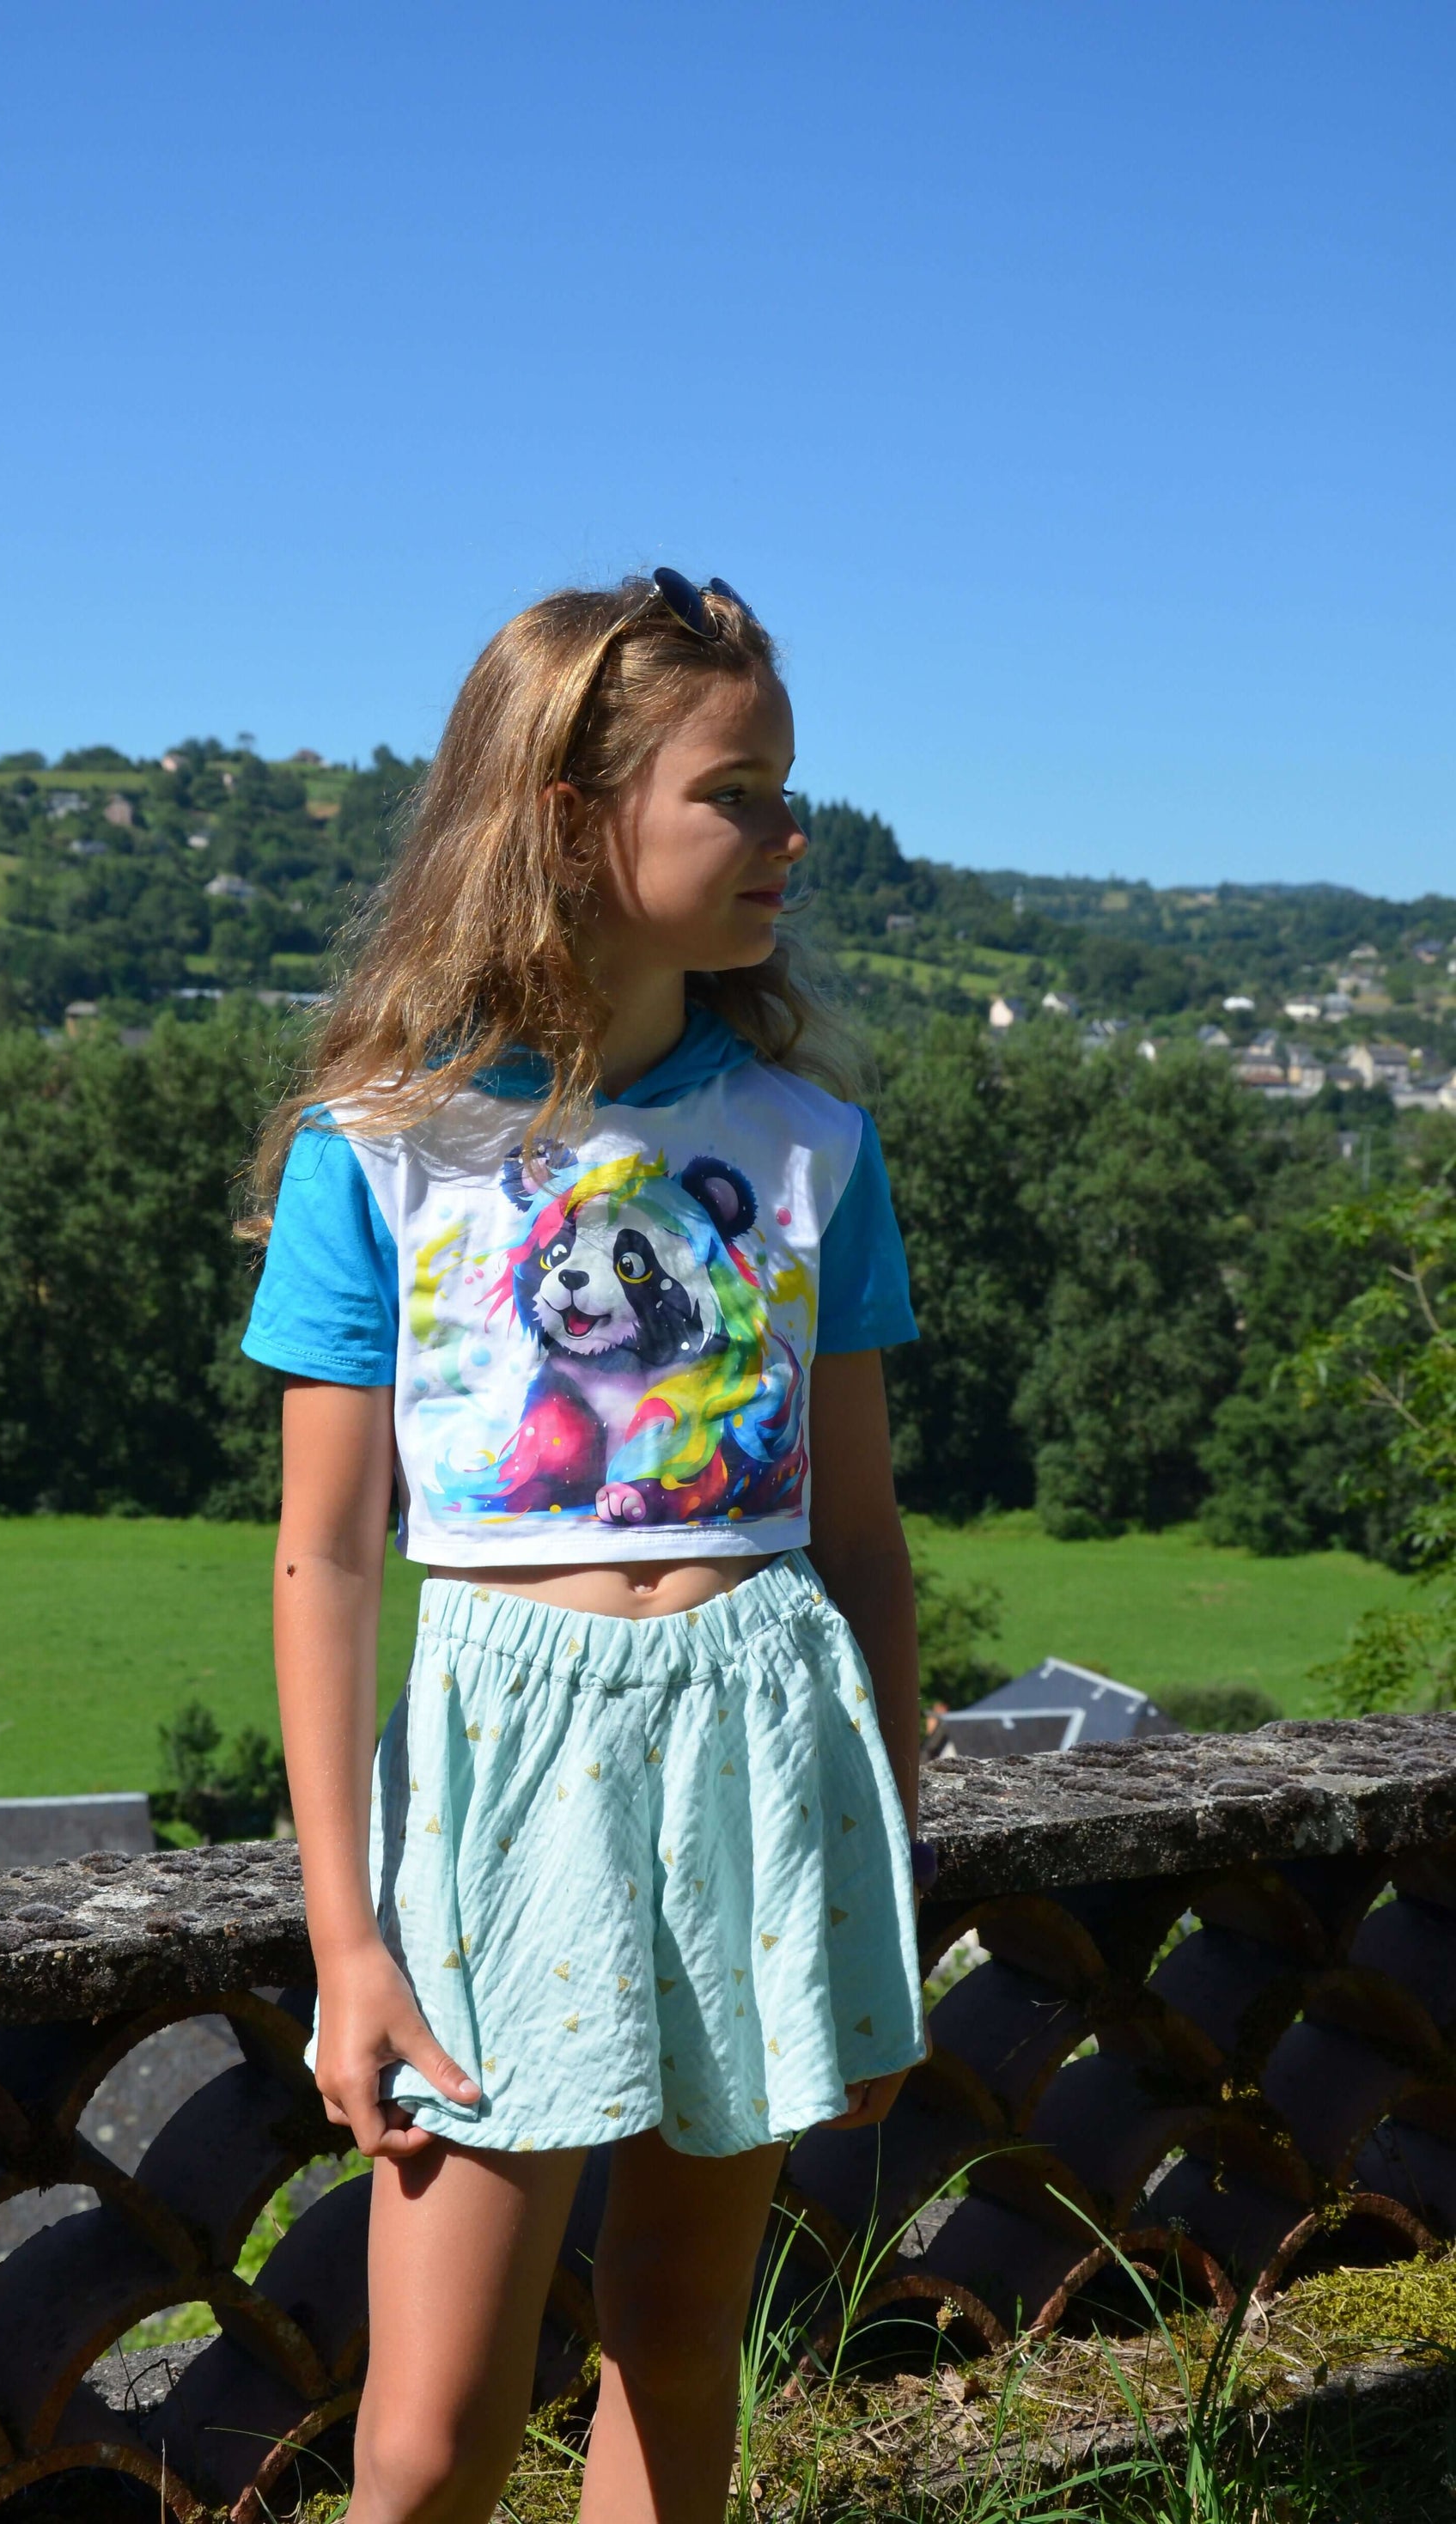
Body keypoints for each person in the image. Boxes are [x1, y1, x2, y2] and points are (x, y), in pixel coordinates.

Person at [241, 570, 927, 2524]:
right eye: (741, 792)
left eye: (788, 788)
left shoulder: (812, 1146)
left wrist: (876, 1841)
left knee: (680, 2347)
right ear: (565, 815)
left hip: (754, 1738)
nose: (793, 834)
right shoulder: (379, 1152)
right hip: (495, 1764)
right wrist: (347, 1937)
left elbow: (863, 1539)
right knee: (427, 2430)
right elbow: (328, 1558)